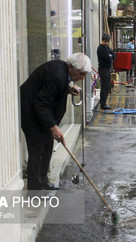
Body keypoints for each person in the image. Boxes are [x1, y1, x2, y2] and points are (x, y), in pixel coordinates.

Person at [20, 53, 91, 190]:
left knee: (47, 146)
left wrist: (68, 89)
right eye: (81, 74)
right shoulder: (57, 75)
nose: (82, 78)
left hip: (42, 114)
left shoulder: (62, 71)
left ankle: (43, 181)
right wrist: (53, 127)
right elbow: (41, 104)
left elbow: (51, 90)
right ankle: (36, 189)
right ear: (72, 67)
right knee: (37, 150)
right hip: (31, 113)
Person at [97, 34, 116, 110]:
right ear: (102, 40)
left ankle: (104, 102)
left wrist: (111, 56)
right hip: (103, 69)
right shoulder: (101, 48)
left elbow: (114, 55)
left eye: (107, 42)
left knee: (107, 86)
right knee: (104, 86)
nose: (106, 43)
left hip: (107, 69)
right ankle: (103, 103)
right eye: (105, 41)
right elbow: (108, 58)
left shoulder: (107, 48)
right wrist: (110, 56)